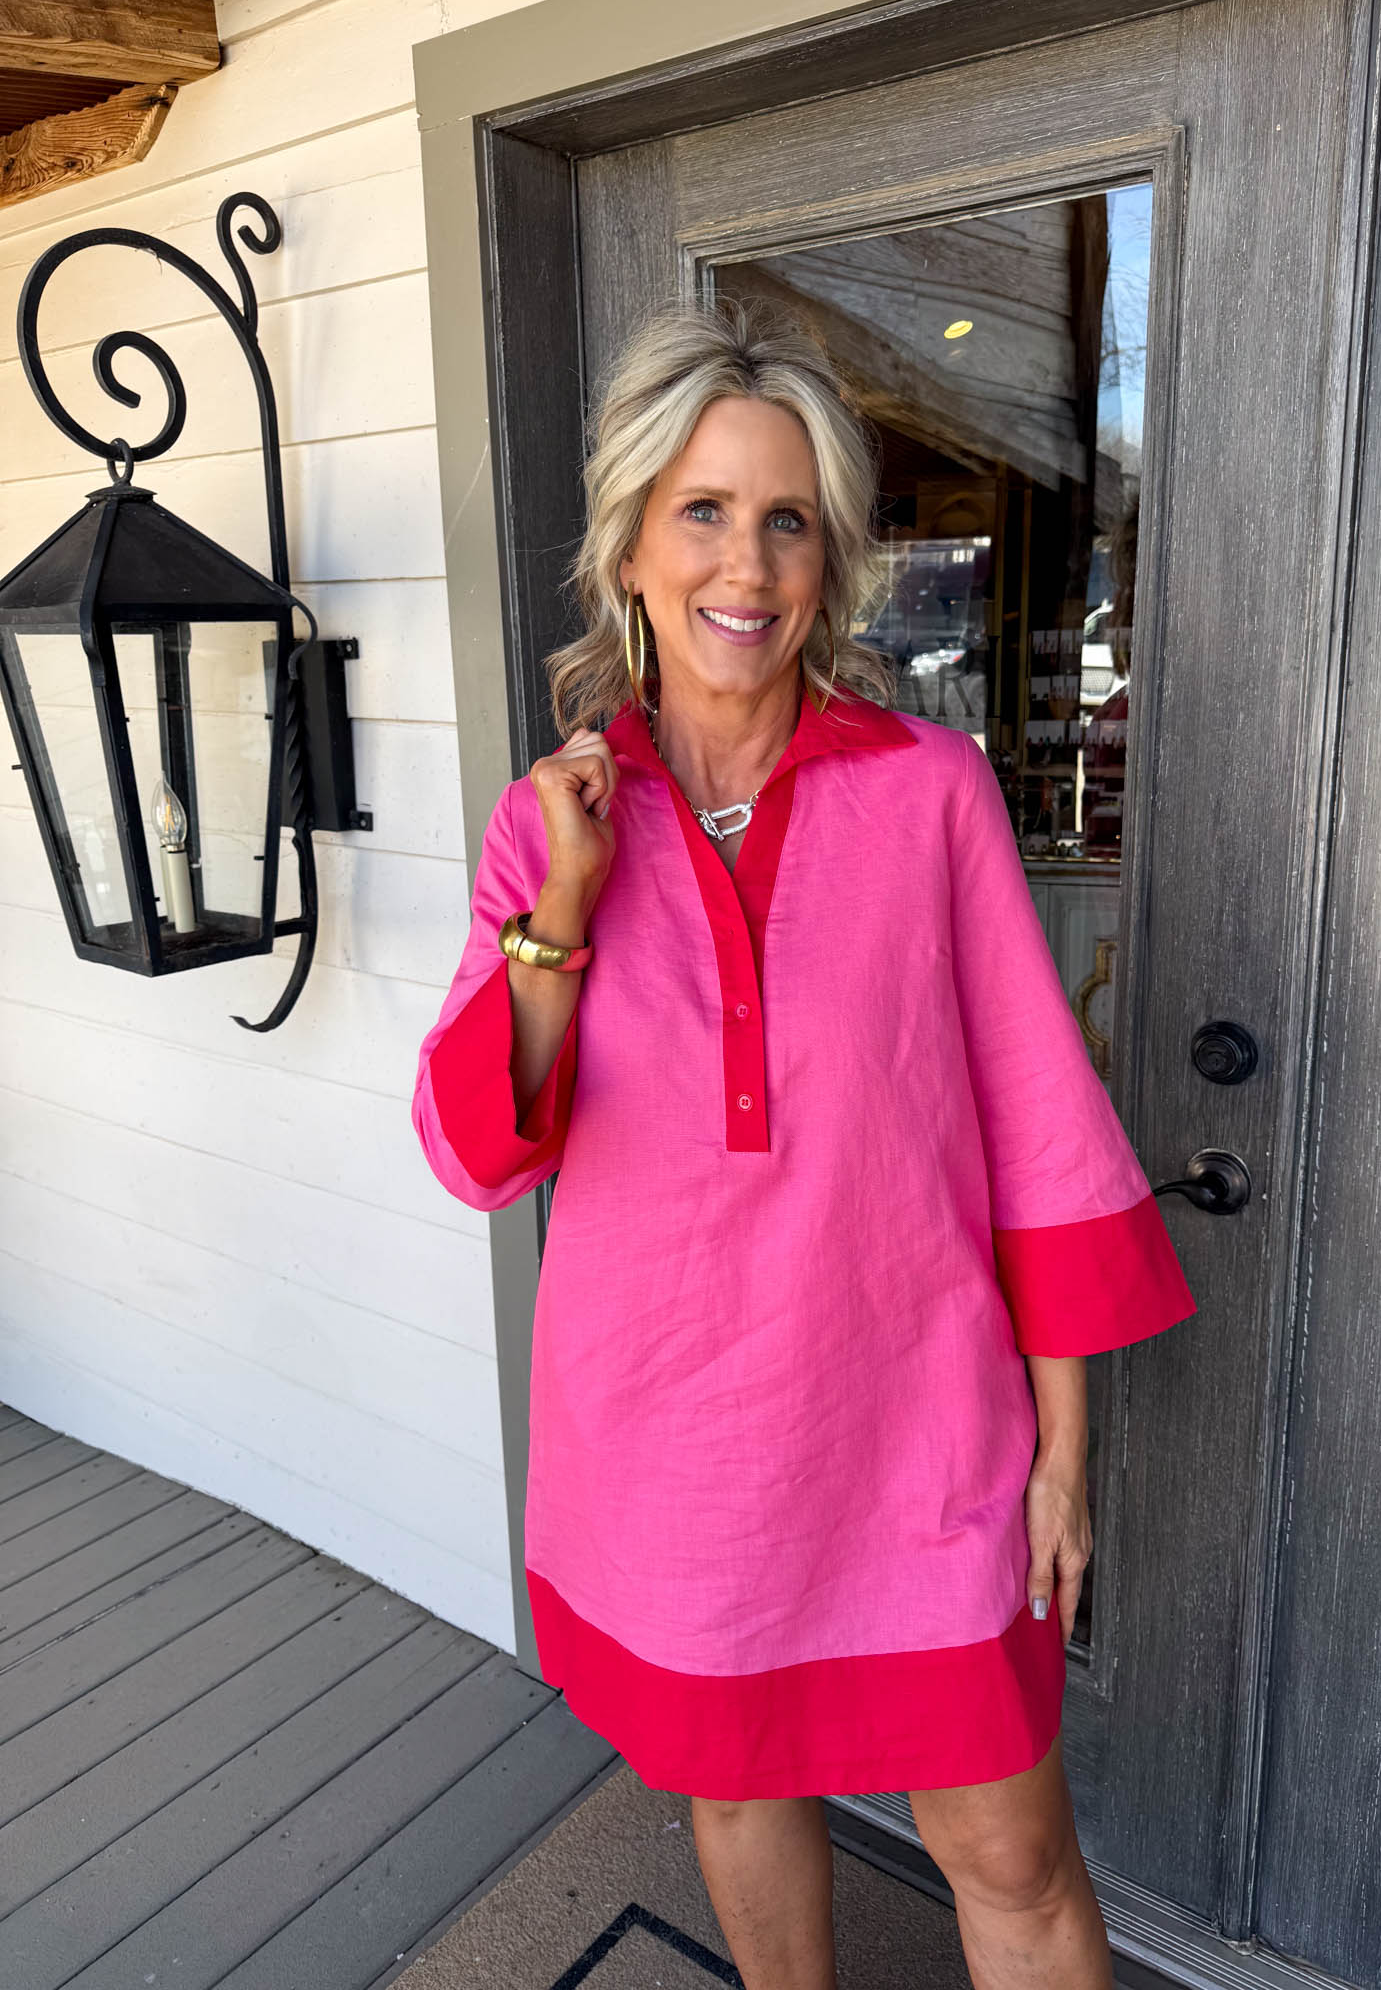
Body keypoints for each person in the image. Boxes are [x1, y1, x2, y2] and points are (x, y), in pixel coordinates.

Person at [411, 299, 1199, 1990]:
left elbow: (1042, 1135)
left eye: (787, 519)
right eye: (702, 510)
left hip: (926, 1441)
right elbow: (479, 1152)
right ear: (630, 546)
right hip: (679, 1448)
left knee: (1014, 1857)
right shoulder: (551, 826)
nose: (745, 564)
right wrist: (565, 907)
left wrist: (1063, 1459)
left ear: (830, 559)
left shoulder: (929, 792)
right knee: (739, 1788)